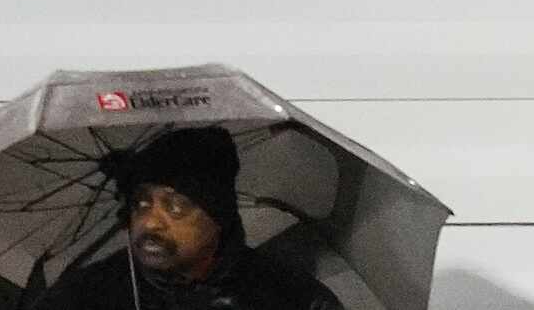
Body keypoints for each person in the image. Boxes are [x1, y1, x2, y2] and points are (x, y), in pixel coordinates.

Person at [37, 128, 337, 310]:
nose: (151, 222)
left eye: (176, 207)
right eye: (142, 204)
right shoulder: (81, 297)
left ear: (218, 216)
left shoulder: (293, 299)